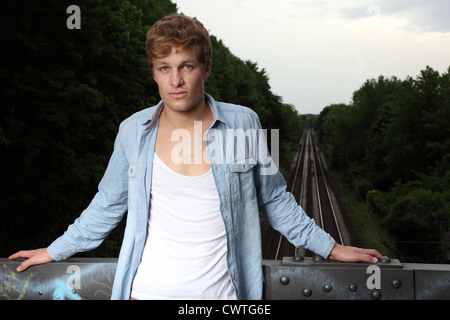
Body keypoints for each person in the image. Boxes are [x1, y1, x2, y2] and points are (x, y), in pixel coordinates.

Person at [9, 13, 381, 300]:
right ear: (154, 72)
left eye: (186, 66)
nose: (176, 81)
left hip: (223, 297)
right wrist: (55, 250)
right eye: (164, 68)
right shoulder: (132, 132)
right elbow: (107, 205)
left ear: (206, 67)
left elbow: (275, 199)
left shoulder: (243, 123)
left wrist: (330, 247)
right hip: (146, 292)